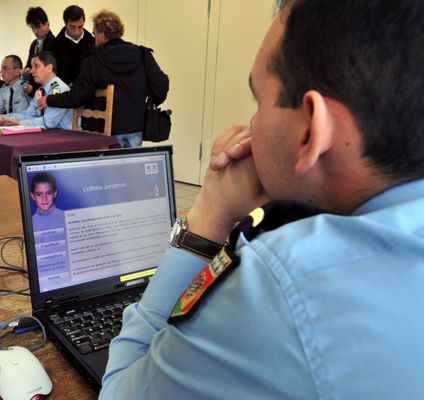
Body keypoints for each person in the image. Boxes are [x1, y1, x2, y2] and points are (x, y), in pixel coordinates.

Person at [100, 0, 424, 399]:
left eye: (260, 102)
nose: (251, 125)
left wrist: (210, 213)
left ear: (311, 131)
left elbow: (119, 393)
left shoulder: (285, 283)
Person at [37, 10, 169, 148]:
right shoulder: (142, 54)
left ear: (101, 35)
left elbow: (78, 96)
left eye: (94, 34)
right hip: (136, 126)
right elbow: (161, 85)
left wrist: (50, 100)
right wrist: (147, 103)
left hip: (105, 132)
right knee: (130, 167)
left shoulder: (94, 60)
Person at [0, 52, 72, 129]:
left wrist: (17, 122)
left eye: (36, 66)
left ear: (49, 68)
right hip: (49, 134)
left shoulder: (58, 89)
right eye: (32, 67)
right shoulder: (40, 90)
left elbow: (49, 122)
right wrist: (5, 118)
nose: (32, 71)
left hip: (65, 136)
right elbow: (30, 114)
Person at [29, 172, 69, 277]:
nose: (44, 199)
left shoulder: (66, 218)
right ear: (32, 196)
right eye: (39, 194)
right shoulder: (31, 223)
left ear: (55, 193)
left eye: (48, 193)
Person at [50, 5, 95, 86]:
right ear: (65, 24)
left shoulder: (93, 43)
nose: (76, 32)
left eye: (80, 27)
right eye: (72, 27)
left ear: (84, 22)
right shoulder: (55, 45)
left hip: (90, 92)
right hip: (65, 92)